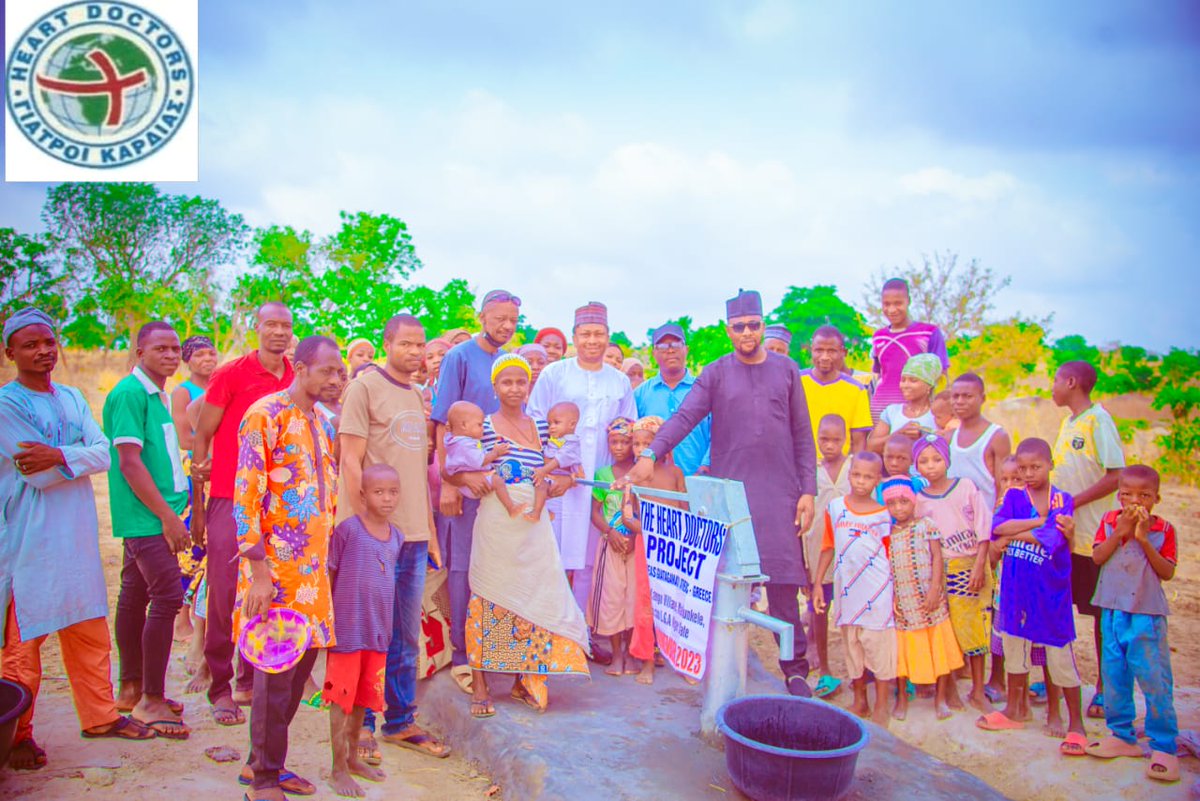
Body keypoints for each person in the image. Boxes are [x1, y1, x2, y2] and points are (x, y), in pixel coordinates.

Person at [627, 289, 817, 696]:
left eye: (754, 325)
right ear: (728, 330)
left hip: (781, 491)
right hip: (732, 494)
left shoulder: (787, 370)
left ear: (763, 326)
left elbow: (803, 433)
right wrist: (650, 453)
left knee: (782, 581)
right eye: (738, 327)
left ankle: (795, 668)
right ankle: (720, 661)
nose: (747, 332)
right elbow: (684, 417)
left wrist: (809, 491)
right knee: (724, 580)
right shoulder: (715, 373)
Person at [1, 308, 154, 770]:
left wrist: (62, 453)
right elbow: (39, 474)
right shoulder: (7, 405)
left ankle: (100, 717)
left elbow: (106, 452)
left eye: (48, 342)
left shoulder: (70, 397)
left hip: (78, 538)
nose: (43, 351)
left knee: (89, 633)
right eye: (30, 345)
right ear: (10, 353)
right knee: (22, 647)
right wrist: (73, 456)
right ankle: (19, 735)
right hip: (29, 542)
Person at [234, 335, 344, 801]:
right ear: (299, 368)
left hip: (312, 576)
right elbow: (246, 498)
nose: (336, 379)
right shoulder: (265, 414)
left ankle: (266, 764)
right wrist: (259, 571)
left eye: (340, 372)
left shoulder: (323, 422)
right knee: (274, 676)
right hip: (275, 573)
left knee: (298, 675)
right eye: (327, 371)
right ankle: (262, 780)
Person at [337, 313, 449, 761]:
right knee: (368, 632)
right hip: (374, 535)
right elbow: (350, 460)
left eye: (419, 345)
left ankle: (399, 722)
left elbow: (414, 470)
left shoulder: (417, 393)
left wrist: (430, 534)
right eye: (405, 344)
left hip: (414, 535)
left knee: (404, 634)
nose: (415, 352)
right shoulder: (363, 388)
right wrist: (365, 526)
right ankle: (359, 724)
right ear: (387, 344)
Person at [467, 354, 590, 717]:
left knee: (534, 596)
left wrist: (553, 482)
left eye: (521, 382)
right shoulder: (483, 426)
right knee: (488, 595)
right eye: (507, 382)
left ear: (529, 386)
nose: (515, 388)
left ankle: (527, 680)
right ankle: (480, 684)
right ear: (495, 387)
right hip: (496, 520)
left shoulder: (543, 425)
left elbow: (569, 469)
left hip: (534, 524)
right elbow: (461, 468)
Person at [191, 302, 295, 726]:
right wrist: (198, 502)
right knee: (222, 590)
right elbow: (203, 435)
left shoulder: (295, 375)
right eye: (270, 324)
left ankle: (253, 676)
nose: (279, 332)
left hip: (279, 503)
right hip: (228, 497)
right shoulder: (231, 373)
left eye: (285, 326)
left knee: (270, 588)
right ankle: (220, 685)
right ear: (256, 328)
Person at [528, 302, 636, 652]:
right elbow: (535, 423)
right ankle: (552, 631)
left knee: (593, 558)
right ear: (574, 337)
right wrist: (550, 470)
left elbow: (626, 430)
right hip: (559, 482)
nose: (593, 340)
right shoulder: (554, 374)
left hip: (600, 486)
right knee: (554, 554)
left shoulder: (619, 381)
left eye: (599, 334)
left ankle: (585, 632)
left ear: (608, 337)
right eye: (585, 334)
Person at [104, 321, 191, 739]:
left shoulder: (157, 396)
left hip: (155, 515)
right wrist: (168, 517)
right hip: (147, 519)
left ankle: (132, 688)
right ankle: (151, 699)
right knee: (169, 595)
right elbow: (129, 462)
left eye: (176, 349)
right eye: (160, 348)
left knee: (135, 595)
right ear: (140, 352)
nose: (171, 355)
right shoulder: (130, 393)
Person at [431, 291, 521, 679]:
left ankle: (492, 644)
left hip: (497, 480)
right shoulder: (459, 357)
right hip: (464, 479)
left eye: (512, 320)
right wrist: (449, 481)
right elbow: (441, 423)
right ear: (482, 316)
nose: (505, 326)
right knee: (462, 566)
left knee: (495, 562)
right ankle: (462, 652)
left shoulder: (509, 362)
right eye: (499, 318)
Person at [981, 439, 1086, 758]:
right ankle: (1015, 710)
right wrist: (1038, 523)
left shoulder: (1061, 499)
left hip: (1050, 595)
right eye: (1022, 467)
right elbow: (996, 527)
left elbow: (1053, 538)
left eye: (1035, 467)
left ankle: (1077, 724)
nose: (1028, 473)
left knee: (1059, 657)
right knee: (1015, 652)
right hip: (1015, 592)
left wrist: (1013, 534)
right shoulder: (1014, 496)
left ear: (1051, 464)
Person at [1086, 465, 1180, 783]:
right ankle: (1121, 735)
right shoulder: (1109, 522)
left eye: (1144, 495)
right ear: (1118, 495)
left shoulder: (1164, 530)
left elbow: (1166, 572)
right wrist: (1120, 532)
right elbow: (1098, 557)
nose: (1134, 501)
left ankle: (1164, 745)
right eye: (1126, 494)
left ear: (1157, 498)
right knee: (1114, 674)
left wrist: (1141, 538)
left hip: (1146, 613)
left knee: (1154, 679)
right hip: (1112, 609)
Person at [1051, 360, 1124, 721]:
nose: (1052, 388)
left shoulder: (1099, 420)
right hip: (1067, 536)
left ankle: (1106, 689)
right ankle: (1056, 679)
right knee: (1061, 609)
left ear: (1072, 381)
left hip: (1094, 539)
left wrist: (1073, 502)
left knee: (1101, 619)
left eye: (1055, 381)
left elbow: (1116, 476)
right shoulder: (1068, 423)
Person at [325, 464, 403, 798]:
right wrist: (327, 623)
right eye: (378, 492)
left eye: (393, 492)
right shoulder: (348, 531)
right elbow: (329, 574)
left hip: (377, 631)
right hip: (347, 631)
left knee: (361, 700)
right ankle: (337, 768)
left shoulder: (397, 536)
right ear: (362, 495)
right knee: (340, 701)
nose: (386, 499)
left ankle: (353, 757)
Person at [813, 452, 895, 726]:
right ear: (849, 476)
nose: (861, 481)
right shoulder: (835, 508)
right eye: (857, 475)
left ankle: (882, 703)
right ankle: (860, 700)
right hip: (846, 589)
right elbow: (828, 546)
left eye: (868, 477)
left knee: (878, 645)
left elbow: (888, 553)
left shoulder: (884, 515)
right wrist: (817, 583)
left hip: (877, 589)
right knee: (852, 645)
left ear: (877, 480)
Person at [913, 434, 993, 714]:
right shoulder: (919, 500)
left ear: (947, 460)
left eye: (936, 459)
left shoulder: (966, 487)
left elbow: (984, 527)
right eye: (923, 461)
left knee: (973, 629)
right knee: (945, 629)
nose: (930, 466)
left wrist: (980, 565)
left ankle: (978, 690)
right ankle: (950, 690)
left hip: (970, 567)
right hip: (940, 571)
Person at [884, 475, 961, 721]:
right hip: (904, 603)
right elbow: (887, 568)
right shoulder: (887, 533)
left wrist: (934, 589)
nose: (899, 508)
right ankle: (903, 699)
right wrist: (893, 596)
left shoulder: (926, 525)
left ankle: (940, 699)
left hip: (930, 600)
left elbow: (937, 557)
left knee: (938, 650)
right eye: (892, 504)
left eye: (903, 502)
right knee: (904, 655)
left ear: (913, 501)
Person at [171, 335, 217, 676]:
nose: (207, 359)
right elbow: (186, 437)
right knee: (194, 543)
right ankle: (181, 616)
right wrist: (212, 443)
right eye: (199, 354)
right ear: (188, 360)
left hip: (221, 467)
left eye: (211, 352)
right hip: (198, 468)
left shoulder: (219, 386)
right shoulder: (184, 392)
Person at [803, 414, 851, 699]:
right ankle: (825, 668)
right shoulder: (810, 470)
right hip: (817, 552)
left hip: (852, 555)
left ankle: (862, 670)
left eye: (836, 439)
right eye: (824, 439)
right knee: (819, 610)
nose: (830, 445)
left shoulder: (854, 467)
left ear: (845, 439)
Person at [588, 418, 640, 678]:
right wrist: (610, 533)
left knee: (632, 599)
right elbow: (595, 512)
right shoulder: (602, 475)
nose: (619, 447)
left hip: (635, 546)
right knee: (611, 599)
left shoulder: (640, 474)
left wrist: (633, 536)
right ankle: (617, 654)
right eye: (614, 442)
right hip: (610, 545)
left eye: (625, 441)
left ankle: (631, 653)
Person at [633, 323, 711, 477]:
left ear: (686, 349)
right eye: (663, 346)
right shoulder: (641, 394)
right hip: (655, 482)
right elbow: (634, 438)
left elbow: (717, 435)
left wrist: (705, 467)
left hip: (698, 478)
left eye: (676, 344)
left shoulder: (704, 390)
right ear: (654, 353)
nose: (670, 350)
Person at [869, 278, 949, 421]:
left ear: (909, 301)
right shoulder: (878, 337)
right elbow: (878, 376)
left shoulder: (929, 333)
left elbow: (941, 376)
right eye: (886, 304)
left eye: (898, 303)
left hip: (916, 413)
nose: (892, 310)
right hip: (880, 412)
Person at [800, 325, 872, 455]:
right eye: (819, 350)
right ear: (811, 350)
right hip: (799, 467)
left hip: (839, 470)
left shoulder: (856, 389)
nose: (824, 357)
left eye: (831, 351)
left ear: (842, 353)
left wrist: (854, 471)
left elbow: (859, 441)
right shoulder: (796, 382)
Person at [443, 400, 522, 515]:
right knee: (498, 481)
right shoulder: (466, 445)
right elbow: (479, 461)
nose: (483, 429)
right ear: (464, 426)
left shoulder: (453, 439)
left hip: (465, 481)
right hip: (472, 483)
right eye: (479, 425)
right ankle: (510, 507)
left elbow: (449, 433)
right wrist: (496, 453)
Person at [948, 373, 1011, 510]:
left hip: (985, 521)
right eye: (955, 396)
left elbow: (1003, 486)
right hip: (954, 524)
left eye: (967, 396)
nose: (959, 401)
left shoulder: (996, 436)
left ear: (982, 399)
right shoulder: (949, 437)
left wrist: (995, 521)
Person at [867, 353, 940, 453]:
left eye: (913, 380)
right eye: (903, 380)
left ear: (929, 385)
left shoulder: (939, 412)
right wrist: (899, 434)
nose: (905, 385)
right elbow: (871, 446)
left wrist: (925, 435)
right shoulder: (892, 411)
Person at [529, 402, 584, 523]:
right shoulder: (557, 439)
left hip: (561, 476)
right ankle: (544, 510)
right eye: (549, 424)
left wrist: (543, 470)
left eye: (556, 423)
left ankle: (537, 513)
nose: (551, 427)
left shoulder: (572, 442)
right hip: (551, 474)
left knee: (542, 486)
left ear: (572, 424)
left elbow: (560, 459)